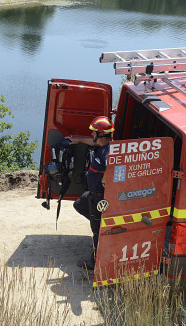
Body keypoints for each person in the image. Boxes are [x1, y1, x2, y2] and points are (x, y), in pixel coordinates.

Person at [69, 115, 114, 270]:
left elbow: (111, 164)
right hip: (92, 194)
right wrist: (79, 140)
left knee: (96, 232)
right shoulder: (104, 145)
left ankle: (95, 262)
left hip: (99, 197)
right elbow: (91, 141)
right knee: (79, 204)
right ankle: (105, 227)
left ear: (101, 135)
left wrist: (105, 178)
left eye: (94, 133)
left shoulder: (108, 151)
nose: (92, 135)